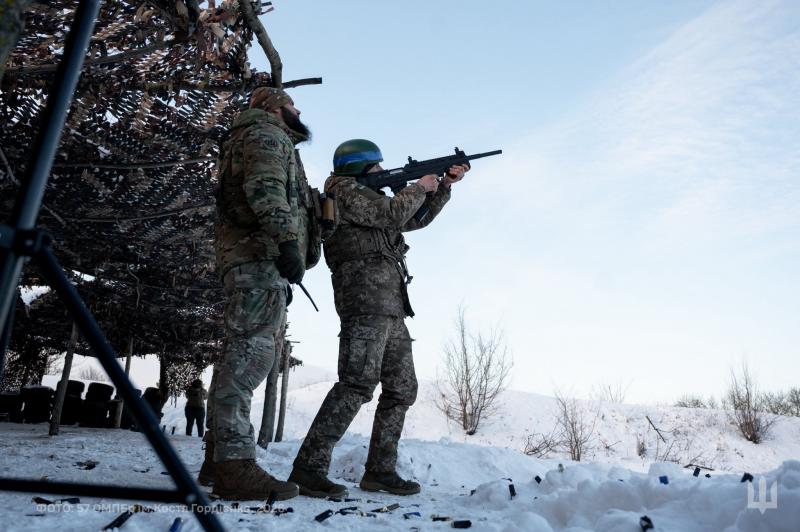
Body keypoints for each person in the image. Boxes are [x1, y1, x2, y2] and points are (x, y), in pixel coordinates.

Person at [289, 139, 468, 498]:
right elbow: (393, 213)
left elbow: (414, 219)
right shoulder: (345, 192)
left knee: (402, 389)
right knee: (356, 384)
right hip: (364, 303)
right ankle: (309, 468)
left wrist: (443, 186)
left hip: (391, 305)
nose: (383, 171)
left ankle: (380, 471)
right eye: (377, 167)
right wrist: (419, 186)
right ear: (359, 168)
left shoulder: (370, 198)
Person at [198, 86, 322, 501]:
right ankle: (234, 467)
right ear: (275, 107)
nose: (298, 109)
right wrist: (287, 241)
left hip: (250, 258)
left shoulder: (251, 136)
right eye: (291, 104)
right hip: (259, 257)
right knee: (250, 357)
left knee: (238, 356)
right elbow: (265, 186)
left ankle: (218, 459)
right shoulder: (266, 134)